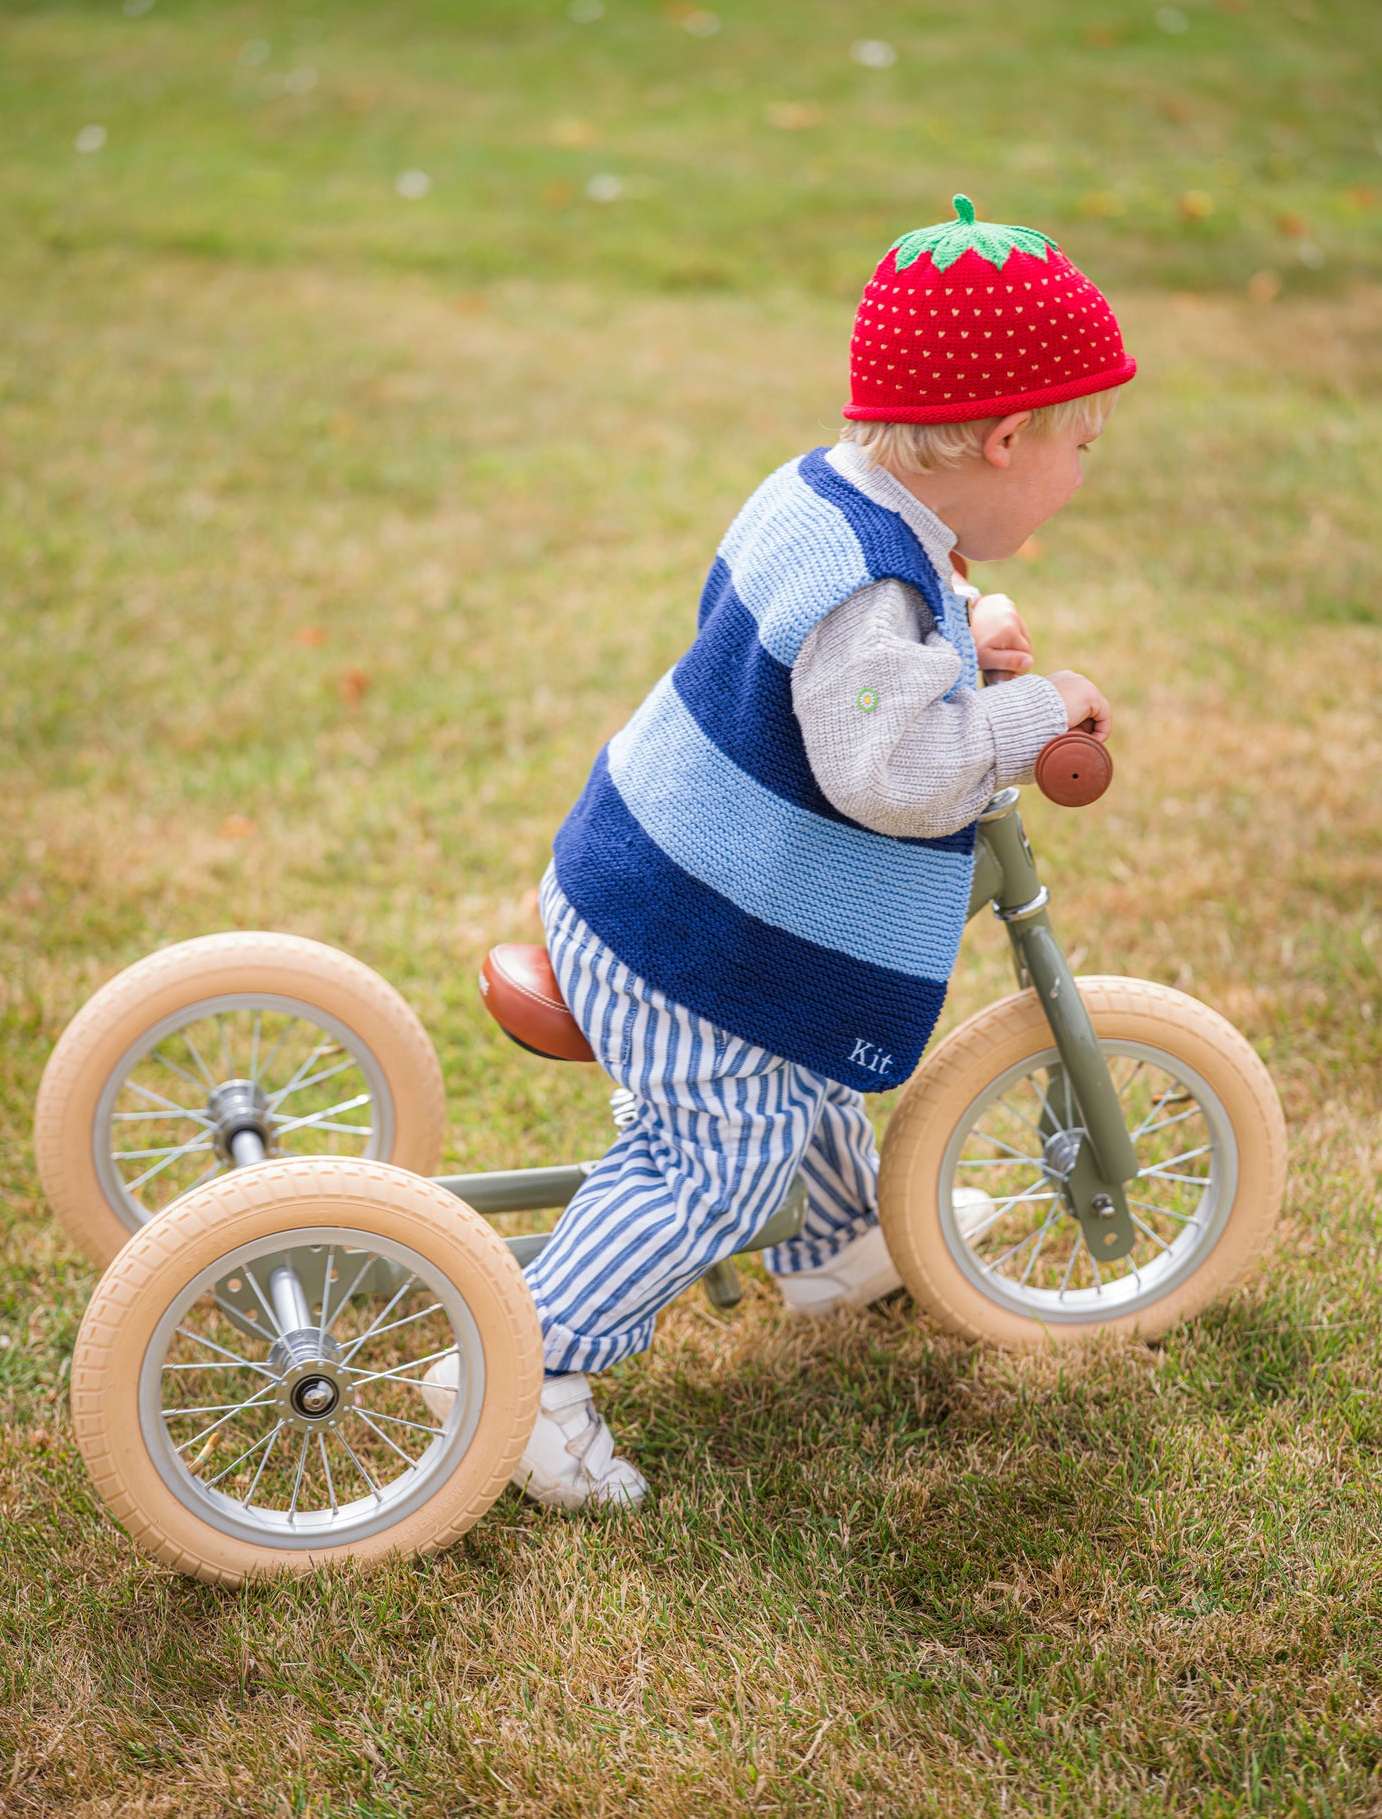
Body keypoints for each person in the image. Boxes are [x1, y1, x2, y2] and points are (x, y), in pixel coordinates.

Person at [425, 194, 1134, 1508]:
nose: (1084, 470)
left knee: (793, 1070)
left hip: (647, 867)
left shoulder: (825, 490)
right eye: (1078, 441)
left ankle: (842, 1241)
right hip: (691, 940)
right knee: (716, 1152)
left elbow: (831, 675)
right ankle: (519, 1367)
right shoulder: (872, 585)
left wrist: (952, 647)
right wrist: (1027, 707)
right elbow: (891, 772)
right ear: (1002, 437)